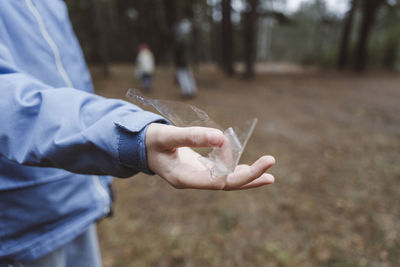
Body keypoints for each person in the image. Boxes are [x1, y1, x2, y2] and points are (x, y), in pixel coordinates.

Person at [0, 1, 276, 266]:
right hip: (22, 224)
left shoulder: (51, 4)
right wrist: (131, 136)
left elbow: (69, 85)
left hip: (79, 199)